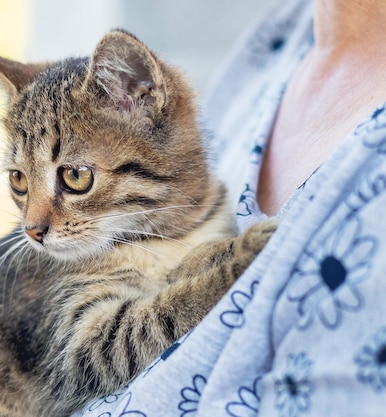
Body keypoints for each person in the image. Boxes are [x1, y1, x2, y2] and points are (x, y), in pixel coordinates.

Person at [73, 0, 386, 415]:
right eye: (18, 182)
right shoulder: (284, 32)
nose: (32, 226)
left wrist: (221, 277)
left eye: (75, 176)